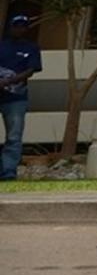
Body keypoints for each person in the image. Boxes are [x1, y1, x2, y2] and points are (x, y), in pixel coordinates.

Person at [0, 12, 42, 180]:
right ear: (11, 28)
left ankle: (8, 171)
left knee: (14, 136)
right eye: (17, 26)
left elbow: (31, 70)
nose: (20, 30)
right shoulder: (2, 46)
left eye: (23, 27)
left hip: (16, 98)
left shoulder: (31, 48)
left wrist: (8, 81)